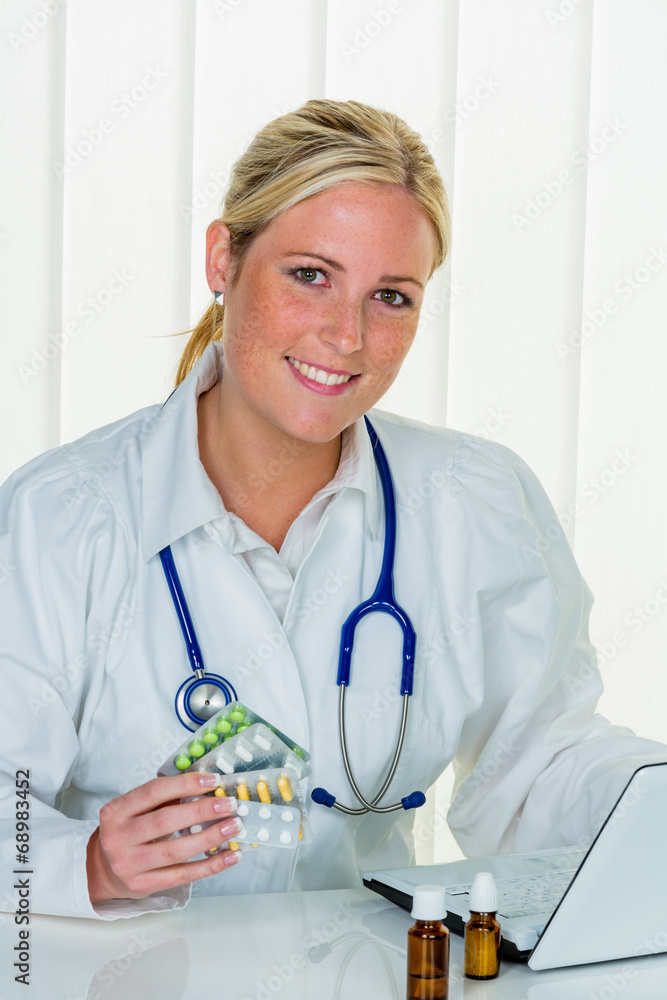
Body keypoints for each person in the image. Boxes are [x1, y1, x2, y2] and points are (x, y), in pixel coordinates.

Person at [1, 98, 665, 921]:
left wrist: (649, 802)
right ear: (222, 259)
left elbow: (538, 764)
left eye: (390, 296)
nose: (346, 335)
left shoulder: (473, 500)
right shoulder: (59, 517)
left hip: (370, 970)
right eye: (310, 275)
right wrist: (88, 865)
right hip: (125, 972)